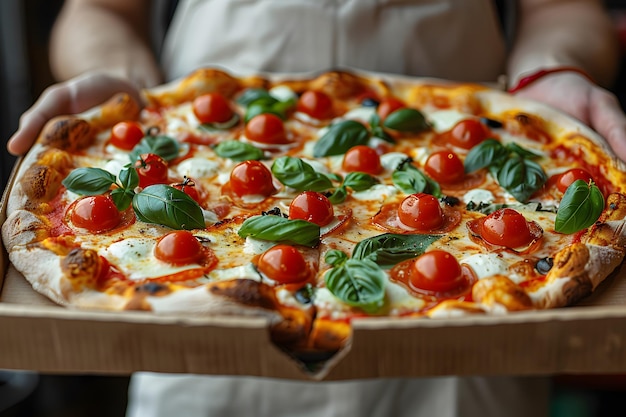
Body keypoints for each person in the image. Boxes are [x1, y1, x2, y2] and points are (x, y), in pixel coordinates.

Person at [4, 1, 625, 416]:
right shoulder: (104, 247)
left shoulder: (543, 245)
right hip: (202, 338)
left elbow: (563, 10)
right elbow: (101, 9)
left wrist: (553, 73)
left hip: (470, 323)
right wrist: (117, 82)